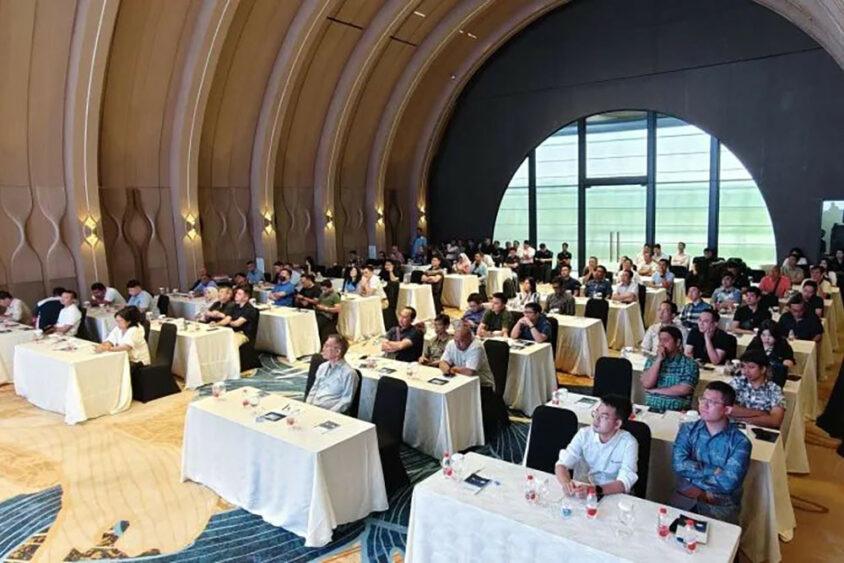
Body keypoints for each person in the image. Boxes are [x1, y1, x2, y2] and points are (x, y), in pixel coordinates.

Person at [671, 381, 751, 524]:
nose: (704, 405)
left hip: (720, 506)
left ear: (727, 409)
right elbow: (679, 465)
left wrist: (696, 485)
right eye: (703, 399)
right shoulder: (688, 429)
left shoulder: (740, 442)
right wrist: (713, 470)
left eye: (712, 402)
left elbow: (728, 482)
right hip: (686, 497)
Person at [554, 394, 639, 497]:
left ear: (617, 424)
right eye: (596, 413)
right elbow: (561, 465)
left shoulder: (629, 443)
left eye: (603, 417)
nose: (596, 419)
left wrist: (594, 490)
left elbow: (625, 482)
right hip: (585, 490)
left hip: (614, 494)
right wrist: (566, 484)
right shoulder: (584, 434)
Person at [641, 326, 700, 411]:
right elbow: (647, 384)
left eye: (665, 340)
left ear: (678, 342)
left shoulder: (689, 364)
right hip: (651, 409)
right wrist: (658, 360)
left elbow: (685, 389)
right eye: (660, 340)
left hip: (677, 412)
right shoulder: (652, 360)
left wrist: (656, 391)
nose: (661, 344)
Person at [729, 350, 786, 429]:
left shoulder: (774, 389)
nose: (745, 371)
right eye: (743, 366)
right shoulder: (737, 382)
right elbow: (726, 408)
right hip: (735, 429)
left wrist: (741, 419)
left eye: (751, 367)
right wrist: (761, 414)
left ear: (763, 369)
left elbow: (775, 421)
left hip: (761, 431)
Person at [306, 334, 359, 414]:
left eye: (327, 346)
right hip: (313, 409)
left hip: (331, 413)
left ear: (337, 352)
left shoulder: (349, 374)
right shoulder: (322, 367)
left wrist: (328, 414)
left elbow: (345, 402)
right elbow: (314, 389)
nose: (323, 349)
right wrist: (307, 406)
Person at [439, 325, 496, 390]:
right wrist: (447, 369)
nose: (457, 344)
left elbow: (469, 372)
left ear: (469, 338)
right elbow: (442, 362)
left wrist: (453, 369)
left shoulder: (477, 347)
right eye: (456, 341)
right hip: (461, 382)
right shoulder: (451, 344)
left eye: (461, 341)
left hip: (482, 386)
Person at [96, 307, 151, 372]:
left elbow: (126, 347)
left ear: (129, 321)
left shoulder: (135, 330)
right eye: (117, 321)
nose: (118, 323)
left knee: (111, 368)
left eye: (120, 321)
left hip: (137, 362)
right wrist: (105, 345)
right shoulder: (119, 328)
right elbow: (110, 340)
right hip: (124, 358)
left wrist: (107, 348)